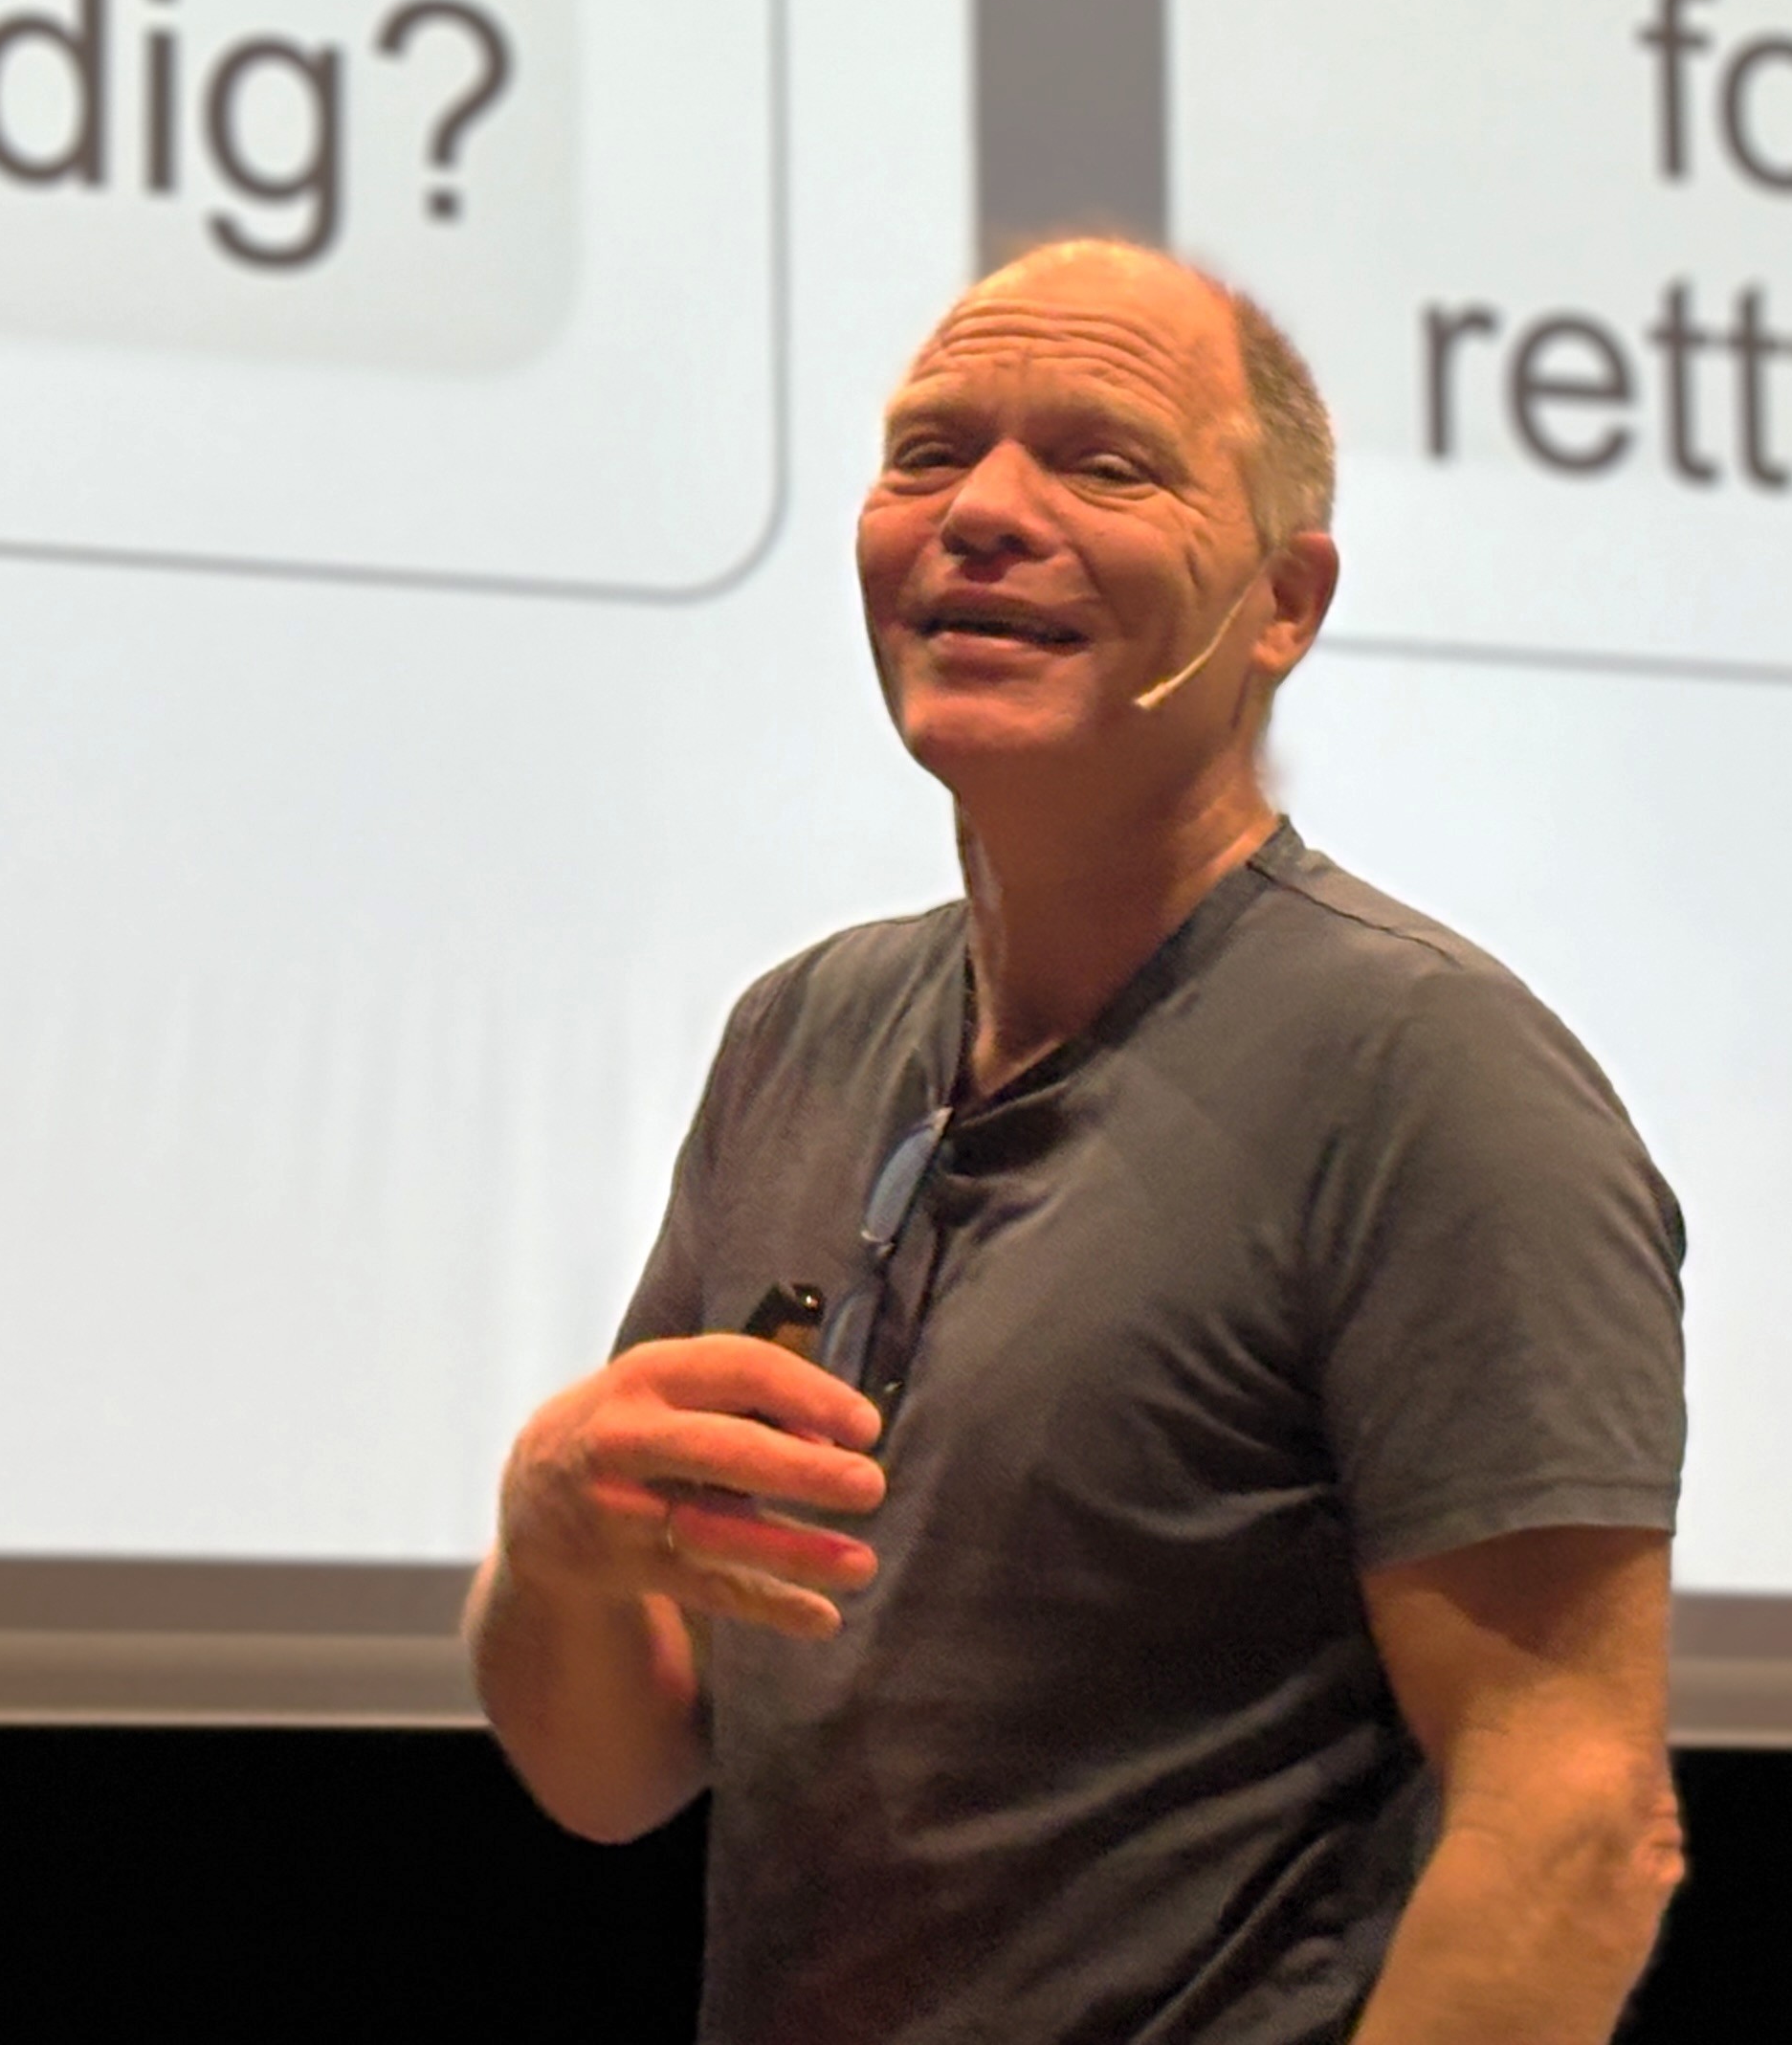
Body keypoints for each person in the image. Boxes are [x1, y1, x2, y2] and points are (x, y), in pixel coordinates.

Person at [467, 237, 1689, 2043]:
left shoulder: (1428, 1074)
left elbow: (1574, 1822)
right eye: (927, 453)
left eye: (1105, 464)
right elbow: (617, 1770)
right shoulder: (799, 1037)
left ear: (1282, 602)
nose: (982, 514)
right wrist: (550, 1541)